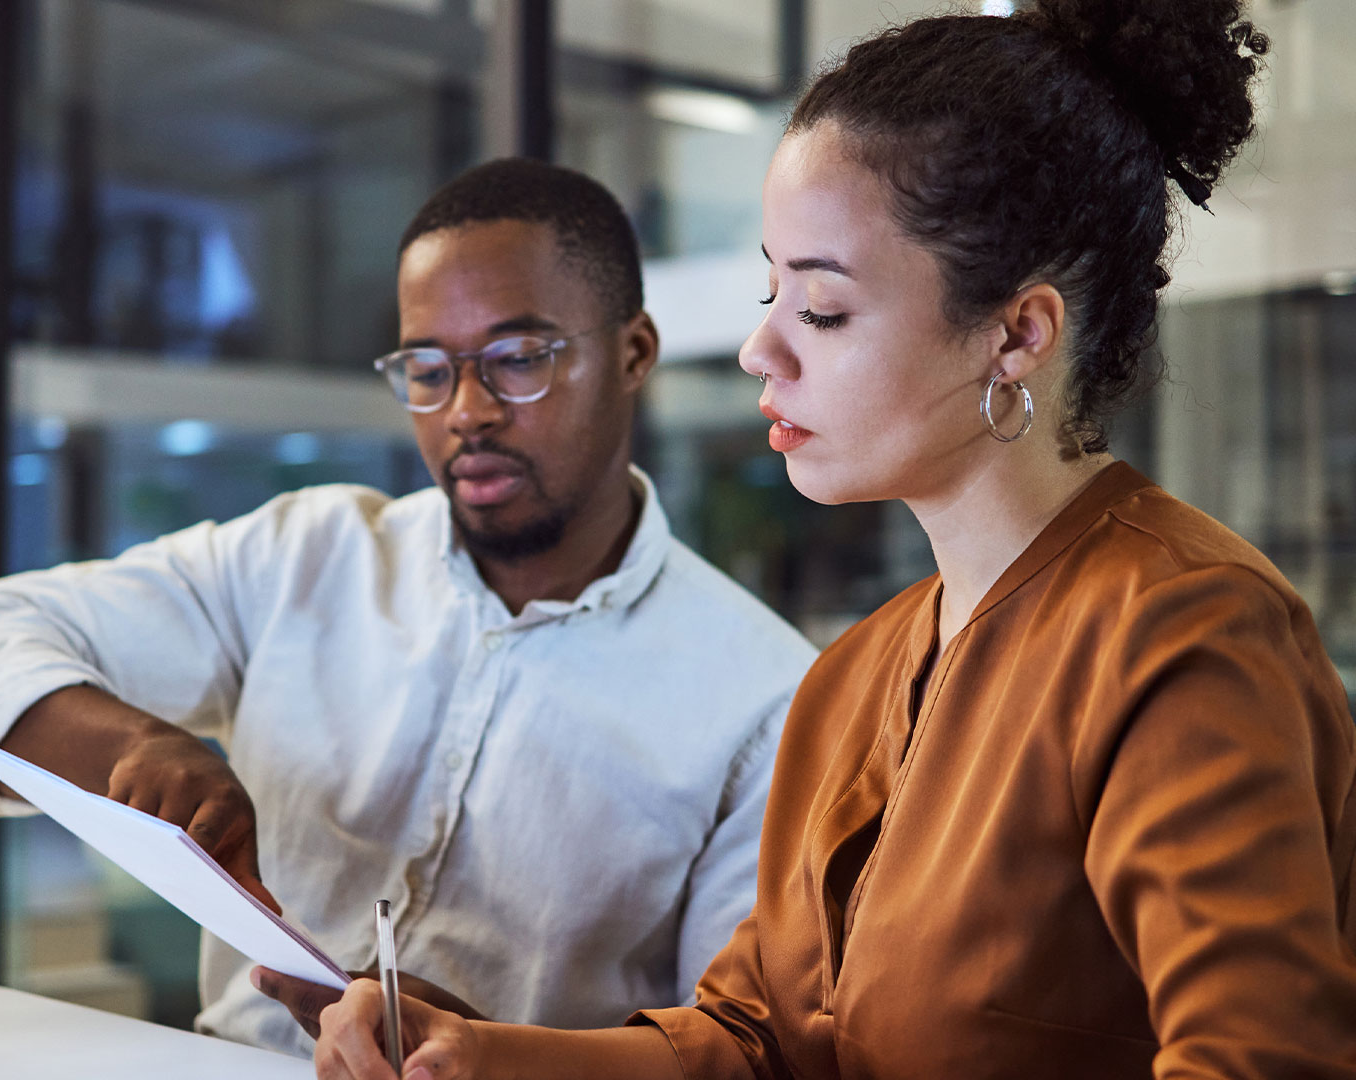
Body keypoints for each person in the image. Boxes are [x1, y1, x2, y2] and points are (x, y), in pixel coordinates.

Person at [308, 2, 1356, 1077]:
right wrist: (479, 1057)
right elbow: (756, 1038)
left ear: (1018, 334)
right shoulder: (855, 678)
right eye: (772, 291)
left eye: (821, 307)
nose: (762, 348)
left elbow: (1258, 1061)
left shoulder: (1184, 633)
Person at [0, 158, 816, 1055]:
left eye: (517, 359)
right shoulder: (304, 555)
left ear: (633, 353)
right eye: (427, 368)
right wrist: (133, 747)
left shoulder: (768, 700)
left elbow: (732, 1048)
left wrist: (485, 1051)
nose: (467, 411)